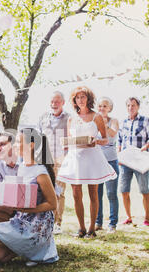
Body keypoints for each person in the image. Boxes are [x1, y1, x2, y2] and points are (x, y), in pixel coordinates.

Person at [0, 128, 58, 267]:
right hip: (21, 218)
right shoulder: (23, 166)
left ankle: (37, 249)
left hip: (37, 224)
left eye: (18, 141)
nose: (15, 145)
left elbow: (53, 204)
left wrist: (28, 209)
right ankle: (28, 250)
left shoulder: (40, 171)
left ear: (31, 144)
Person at [57, 86, 117, 238]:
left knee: (93, 193)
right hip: (75, 158)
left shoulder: (96, 117)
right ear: (74, 100)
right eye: (77, 97)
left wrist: (95, 141)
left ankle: (92, 229)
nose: (80, 100)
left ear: (88, 99)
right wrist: (66, 143)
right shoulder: (71, 118)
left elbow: (105, 139)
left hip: (92, 157)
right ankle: (81, 228)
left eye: (83, 97)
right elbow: (69, 140)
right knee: (76, 194)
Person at [118, 97, 149, 227]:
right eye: (128, 105)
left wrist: (144, 148)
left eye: (133, 105)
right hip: (125, 161)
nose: (130, 107)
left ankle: (147, 218)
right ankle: (128, 217)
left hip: (140, 161)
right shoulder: (123, 122)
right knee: (124, 190)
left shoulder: (145, 121)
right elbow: (119, 140)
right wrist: (119, 155)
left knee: (144, 190)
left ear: (138, 106)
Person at [38, 91, 70, 234]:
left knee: (59, 192)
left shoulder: (69, 118)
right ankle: (46, 221)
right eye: (52, 101)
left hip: (62, 160)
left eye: (57, 101)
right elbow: (38, 139)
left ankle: (57, 223)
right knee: (45, 192)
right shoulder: (43, 118)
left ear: (63, 102)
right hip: (46, 161)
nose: (54, 104)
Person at [95, 97, 119, 233]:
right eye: (100, 106)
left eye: (105, 106)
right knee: (97, 194)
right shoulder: (94, 121)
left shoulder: (113, 121)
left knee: (111, 193)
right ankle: (98, 222)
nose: (102, 108)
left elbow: (113, 133)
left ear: (110, 108)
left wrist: (104, 124)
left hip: (111, 161)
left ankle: (112, 223)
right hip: (97, 161)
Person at [0, 131, 19, 222]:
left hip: (32, 203)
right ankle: (14, 228)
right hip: (12, 202)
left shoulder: (26, 162)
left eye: (2, 144)